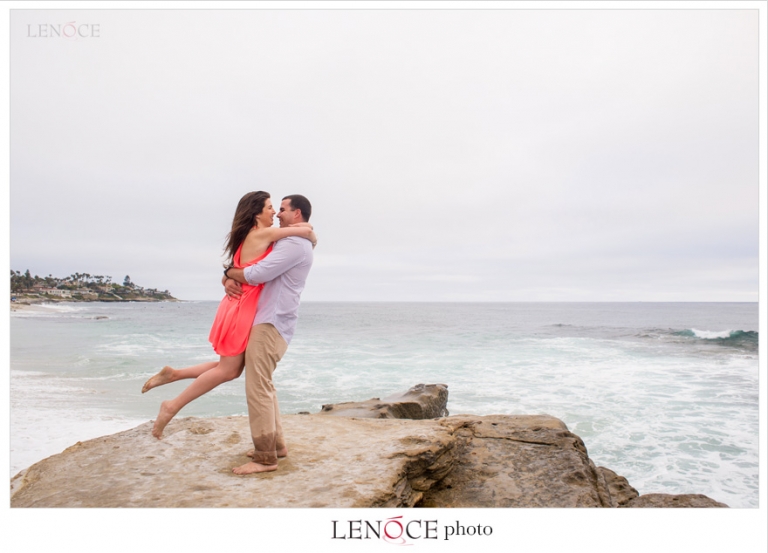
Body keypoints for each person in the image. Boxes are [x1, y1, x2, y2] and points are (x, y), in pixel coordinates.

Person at [141, 191, 316, 439]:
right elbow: (305, 231)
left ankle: (175, 375)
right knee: (229, 370)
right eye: (269, 207)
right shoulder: (263, 234)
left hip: (242, 305)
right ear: (256, 213)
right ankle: (171, 406)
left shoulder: (257, 235)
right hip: (241, 306)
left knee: (231, 367)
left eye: (277, 208)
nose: (274, 213)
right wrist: (311, 234)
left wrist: (226, 276)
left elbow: (239, 266)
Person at [223, 194, 314, 475]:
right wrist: (228, 276)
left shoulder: (294, 244)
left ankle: (265, 458)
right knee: (265, 383)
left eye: (282, 209)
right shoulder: (290, 240)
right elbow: (251, 267)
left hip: (271, 323)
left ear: (297, 214)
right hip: (269, 320)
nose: (277, 214)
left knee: (257, 387)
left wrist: (229, 272)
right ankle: (277, 446)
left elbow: (256, 274)